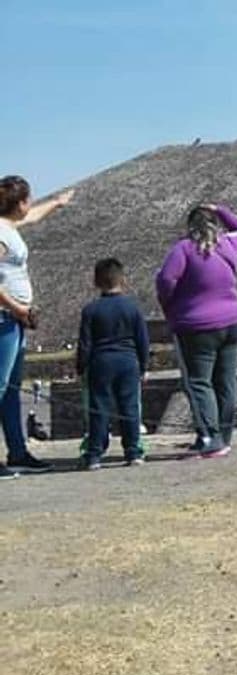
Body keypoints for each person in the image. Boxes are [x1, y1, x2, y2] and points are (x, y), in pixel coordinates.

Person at [156, 203, 237, 459]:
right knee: (226, 380)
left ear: (190, 227)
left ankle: (210, 439)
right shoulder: (229, 245)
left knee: (198, 383)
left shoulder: (183, 249)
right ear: (215, 224)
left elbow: (165, 279)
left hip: (196, 326)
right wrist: (220, 209)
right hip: (234, 320)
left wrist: (171, 306)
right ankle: (222, 437)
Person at [0, 175, 73, 478]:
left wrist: (57, 202)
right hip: (5, 319)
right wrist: (17, 308)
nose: (30, 205)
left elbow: (34, 215)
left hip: (15, 320)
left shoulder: (10, 226)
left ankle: (18, 452)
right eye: (28, 199)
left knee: (11, 391)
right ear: (19, 202)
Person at [77, 259, 150, 469]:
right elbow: (142, 340)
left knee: (99, 408)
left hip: (100, 362)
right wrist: (144, 366)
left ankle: (94, 455)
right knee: (130, 407)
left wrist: (81, 368)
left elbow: (85, 343)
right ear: (123, 280)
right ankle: (133, 452)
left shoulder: (91, 310)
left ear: (96, 282)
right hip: (128, 361)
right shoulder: (132, 308)